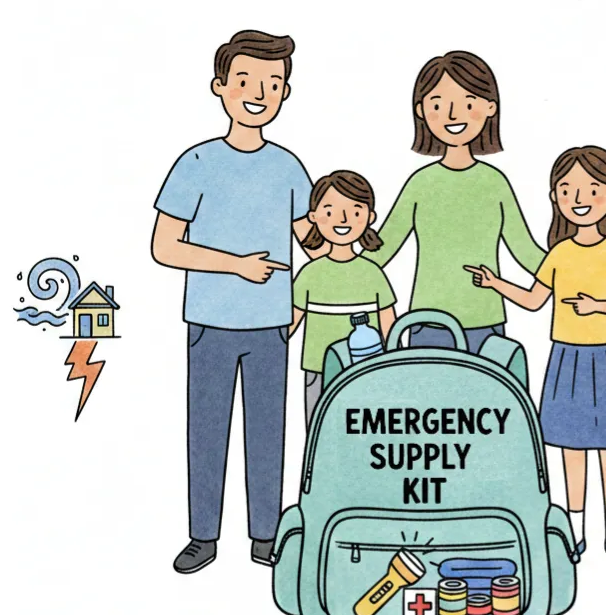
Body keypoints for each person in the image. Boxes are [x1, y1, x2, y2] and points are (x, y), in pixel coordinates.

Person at [151, 30, 324, 574]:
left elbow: (312, 239)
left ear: (285, 94)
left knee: (268, 431)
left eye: (273, 84)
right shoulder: (196, 163)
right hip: (209, 322)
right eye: (247, 81)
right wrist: (236, 264)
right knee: (206, 431)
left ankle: (265, 536)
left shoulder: (290, 167)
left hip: (274, 324)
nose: (259, 92)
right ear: (221, 87)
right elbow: (163, 246)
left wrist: (352, 225)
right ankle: (203, 535)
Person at [465, 146, 606, 569]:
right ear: (555, 199)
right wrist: (495, 283)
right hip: (566, 359)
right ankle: (576, 529)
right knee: (569, 448)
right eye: (566, 190)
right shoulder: (560, 253)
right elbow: (533, 300)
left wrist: (599, 305)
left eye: (590, 189)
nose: (578, 198)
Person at [359, 51, 544, 353]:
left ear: (490, 108)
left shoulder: (494, 183)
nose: (453, 115)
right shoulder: (420, 183)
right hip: (428, 323)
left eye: (468, 104)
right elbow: (383, 249)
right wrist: (337, 269)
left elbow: (526, 252)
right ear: (421, 110)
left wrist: (576, 269)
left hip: (485, 321)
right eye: (438, 105)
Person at [290, 171, 397, 426]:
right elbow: (290, 324)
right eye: (330, 211)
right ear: (313, 217)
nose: (343, 219)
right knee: (320, 430)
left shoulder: (372, 273)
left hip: (366, 369)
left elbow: (389, 324)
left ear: (370, 218)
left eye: (356, 211)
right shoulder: (310, 274)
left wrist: (394, 367)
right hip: (318, 369)